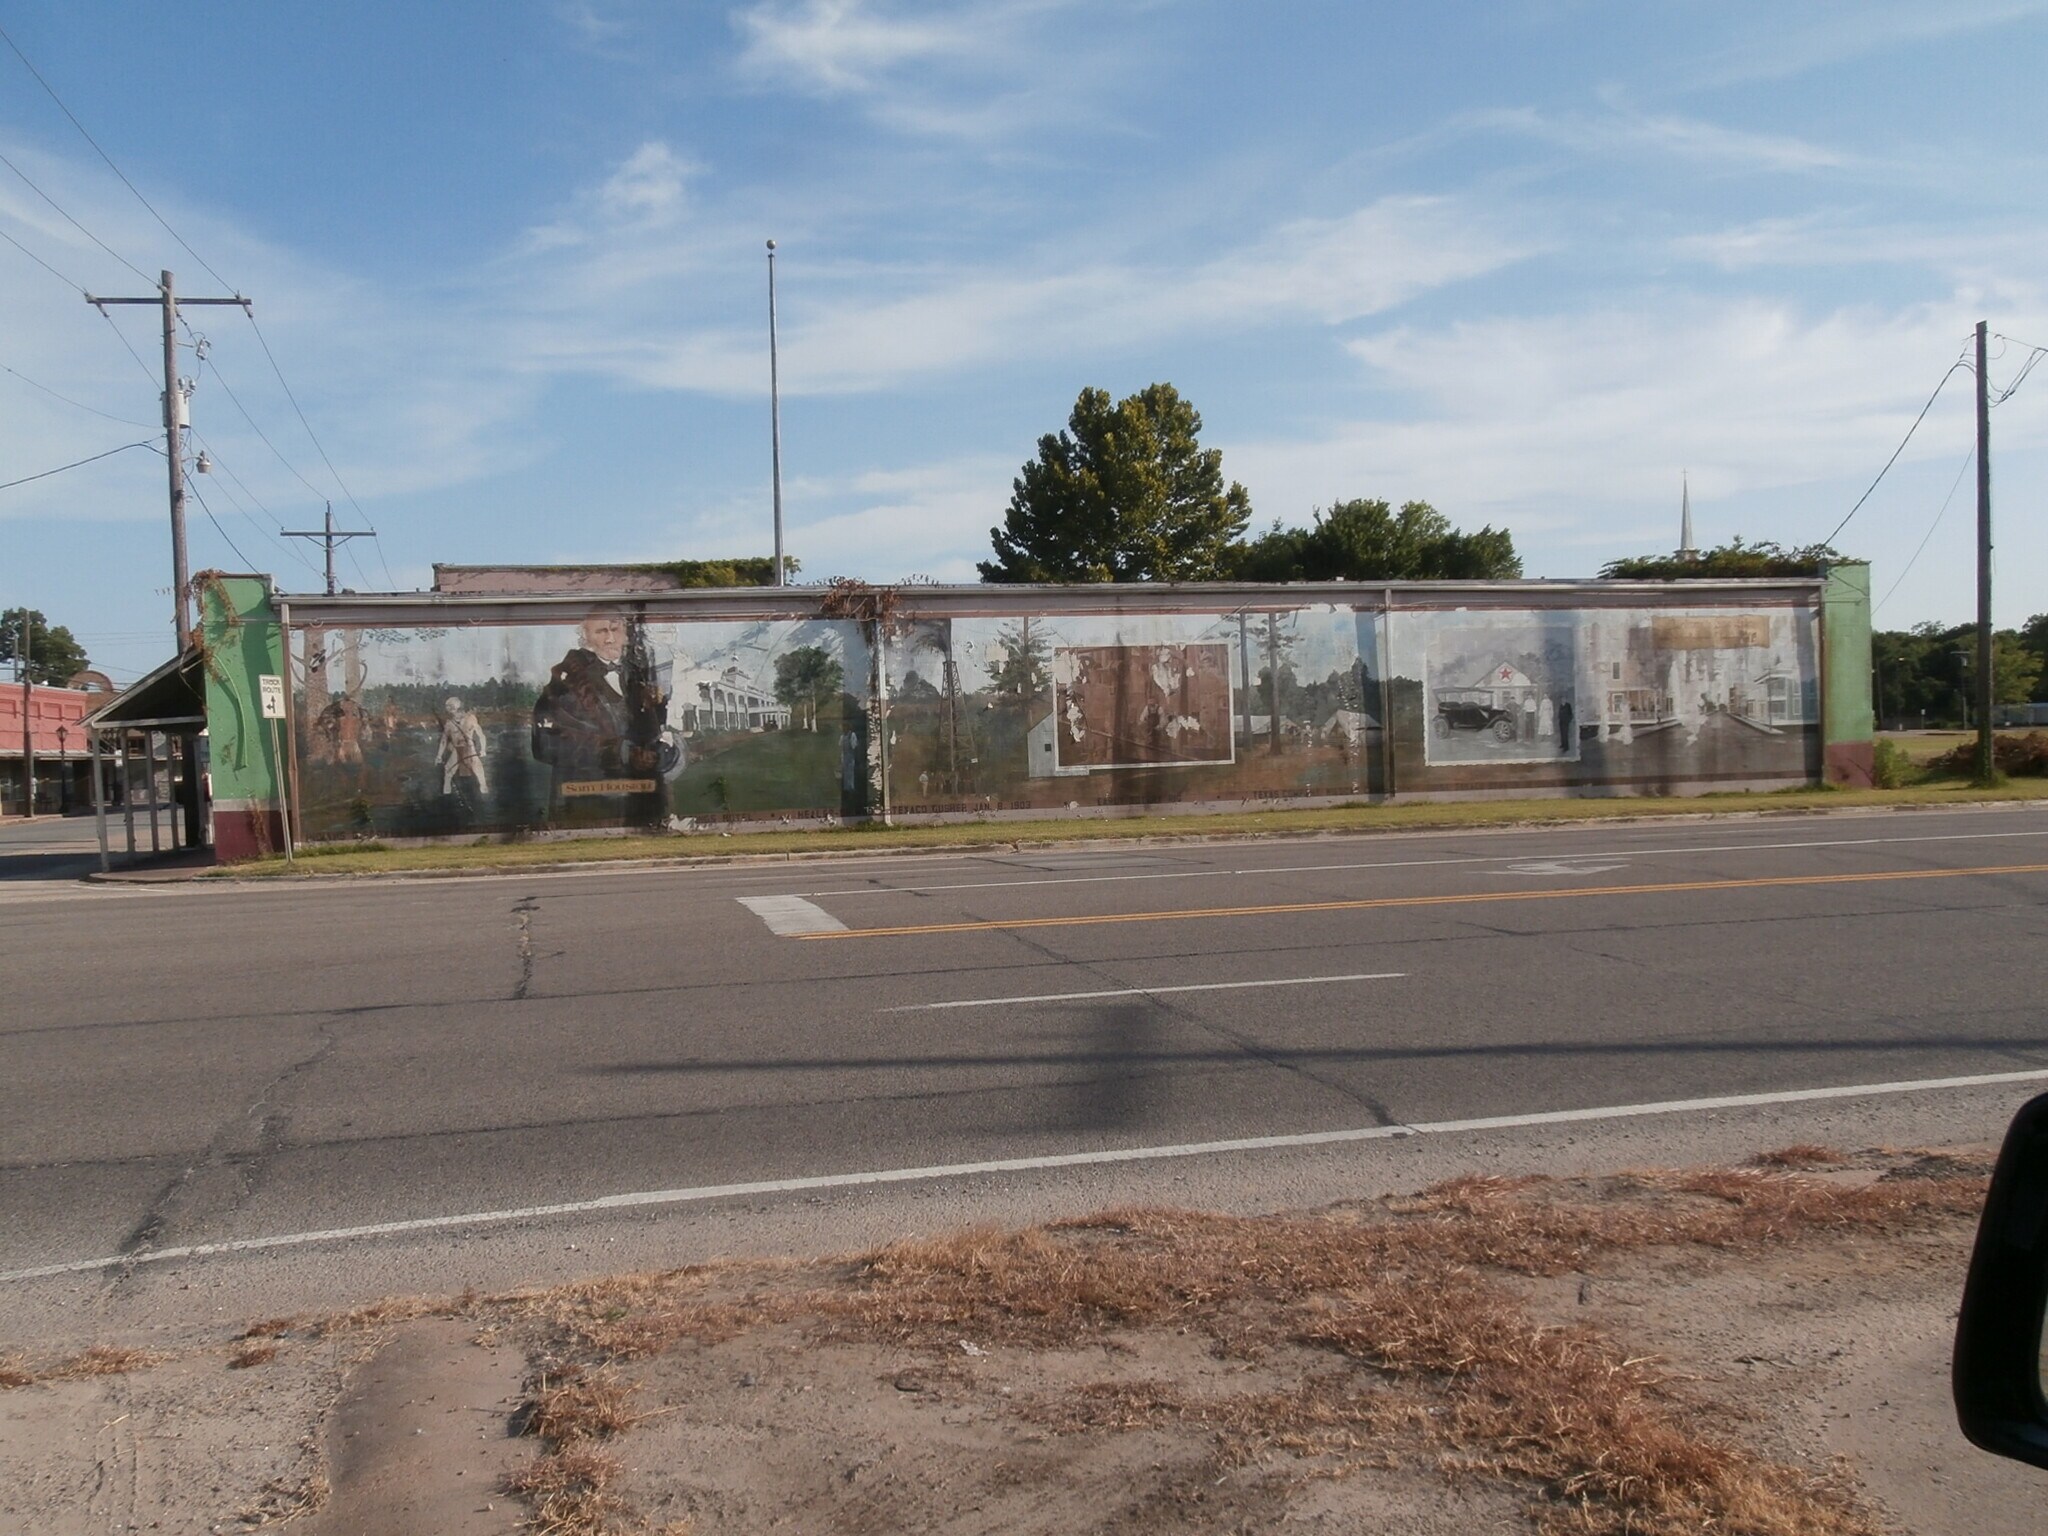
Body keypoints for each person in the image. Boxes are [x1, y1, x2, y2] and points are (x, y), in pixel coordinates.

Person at [436, 695, 489, 796]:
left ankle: (484, 792)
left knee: (479, 771)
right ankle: (446, 794)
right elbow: (444, 740)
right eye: (449, 708)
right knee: (448, 771)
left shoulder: (471, 719)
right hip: (457, 749)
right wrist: (439, 755)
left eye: (451, 707)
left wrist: (483, 749)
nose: (451, 711)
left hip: (470, 748)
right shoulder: (449, 724)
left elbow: (481, 734)